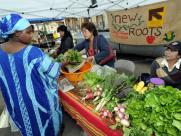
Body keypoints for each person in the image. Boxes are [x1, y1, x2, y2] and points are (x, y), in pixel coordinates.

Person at [0, 13, 64, 136]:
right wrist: (63, 63)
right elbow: (54, 71)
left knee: (28, 129)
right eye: (28, 32)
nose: (31, 36)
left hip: (16, 105)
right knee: (45, 129)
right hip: (39, 105)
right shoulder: (33, 52)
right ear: (17, 33)